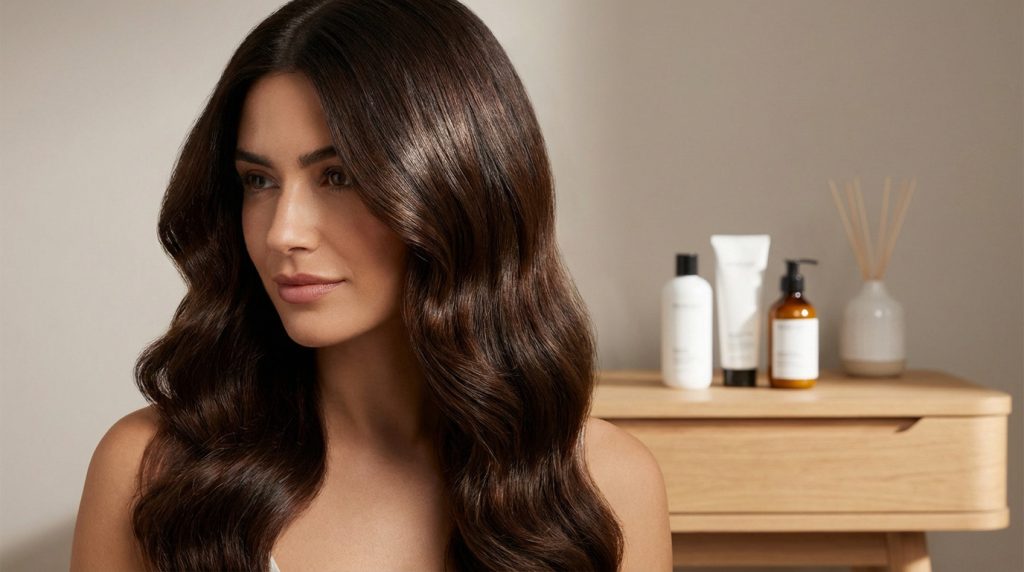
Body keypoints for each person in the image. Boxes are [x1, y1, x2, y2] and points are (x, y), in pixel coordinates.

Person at [70, 0, 671, 570]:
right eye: (258, 181)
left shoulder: (606, 485)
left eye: (338, 176)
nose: (283, 232)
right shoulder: (152, 471)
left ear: (455, 190)